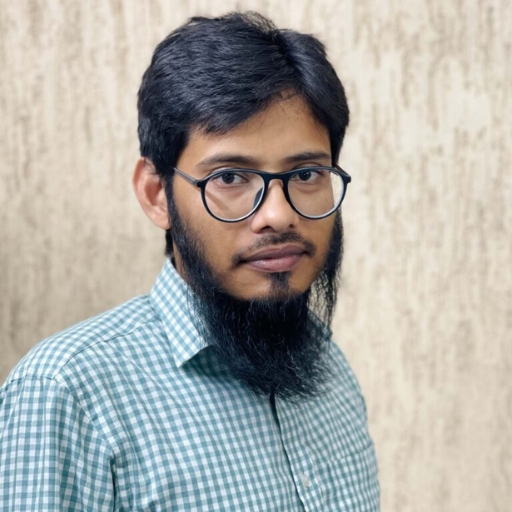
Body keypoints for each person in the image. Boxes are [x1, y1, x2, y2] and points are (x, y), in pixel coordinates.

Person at [0, 12, 379, 511]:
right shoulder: (69, 393)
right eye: (229, 178)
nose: (278, 215)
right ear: (156, 194)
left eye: (307, 173)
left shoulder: (329, 369)